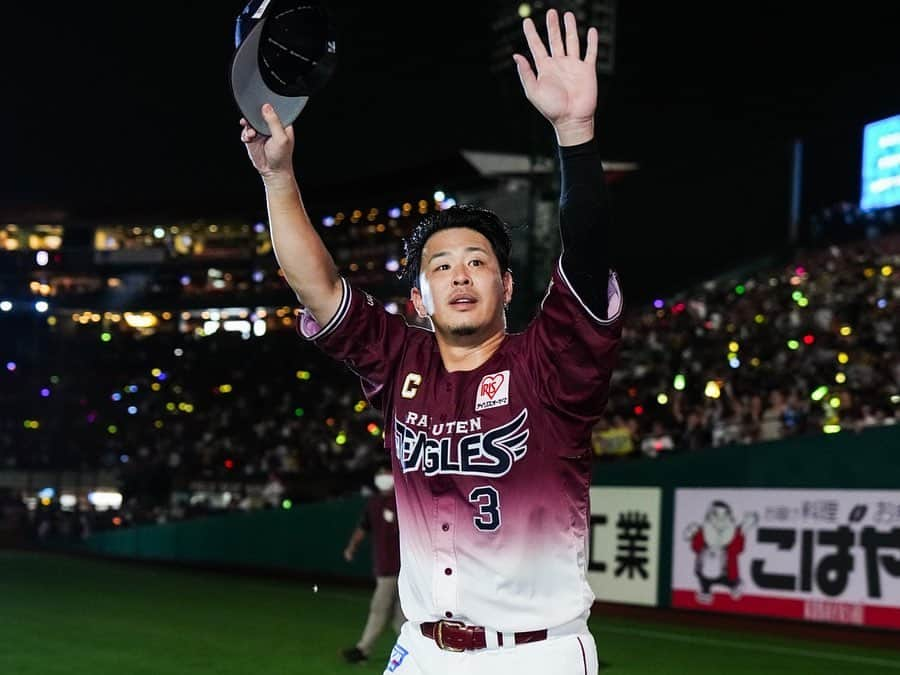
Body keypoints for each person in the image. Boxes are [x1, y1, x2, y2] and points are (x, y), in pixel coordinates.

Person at [240, 9, 623, 674]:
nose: (459, 274)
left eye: (476, 261)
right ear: (418, 300)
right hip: (421, 648)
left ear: (507, 286)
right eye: (440, 267)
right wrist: (278, 177)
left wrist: (575, 134)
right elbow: (319, 288)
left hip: (535, 656)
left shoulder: (552, 364)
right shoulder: (398, 362)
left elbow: (586, 250)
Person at [341, 463, 405, 664]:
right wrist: (352, 547)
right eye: (380, 474)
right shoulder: (374, 503)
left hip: (398, 567)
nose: (383, 477)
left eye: (387, 473)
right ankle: (415, 651)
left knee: (380, 609)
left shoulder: (402, 501)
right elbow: (363, 527)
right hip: (386, 566)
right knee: (400, 617)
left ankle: (363, 649)